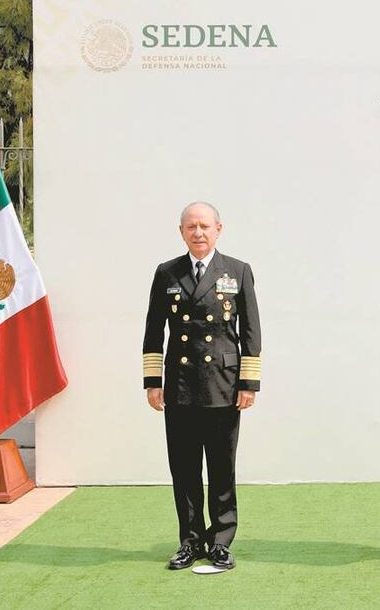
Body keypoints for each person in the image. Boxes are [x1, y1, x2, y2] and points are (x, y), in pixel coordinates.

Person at [142, 201, 262, 571]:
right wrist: (152, 381)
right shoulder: (167, 272)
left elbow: (251, 331)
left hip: (223, 387)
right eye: (191, 227)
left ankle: (222, 540)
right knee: (185, 468)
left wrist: (249, 382)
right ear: (182, 232)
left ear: (219, 230)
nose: (198, 233)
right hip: (180, 386)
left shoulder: (238, 271)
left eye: (205, 226)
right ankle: (191, 540)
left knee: (222, 468)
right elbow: (153, 330)